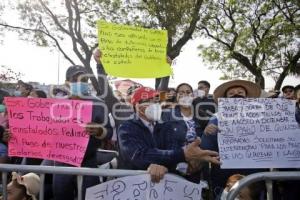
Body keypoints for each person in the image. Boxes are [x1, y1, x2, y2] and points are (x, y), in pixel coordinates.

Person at [117, 86, 220, 182]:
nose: (154, 104)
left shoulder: (166, 127)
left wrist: (186, 168)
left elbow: (172, 154)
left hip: (162, 186)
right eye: (148, 101)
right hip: (133, 184)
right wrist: (183, 154)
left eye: (156, 101)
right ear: (137, 105)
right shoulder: (126, 128)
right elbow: (139, 155)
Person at [53, 65, 113, 200]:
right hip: (62, 163)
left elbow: (109, 132)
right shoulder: (55, 105)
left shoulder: (99, 104)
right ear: (67, 83)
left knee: (90, 196)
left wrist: (100, 131)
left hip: (88, 161)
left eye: (84, 79)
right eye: (75, 79)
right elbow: (39, 130)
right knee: (61, 196)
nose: (81, 82)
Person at [201, 80, 266, 199]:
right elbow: (207, 149)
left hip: (256, 175)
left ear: (247, 97)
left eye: (240, 92)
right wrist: (207, 134)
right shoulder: (216, 118)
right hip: (225, 177)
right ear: (225, 99)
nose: (236, 95)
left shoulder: (264, 116)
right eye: (231, 94)